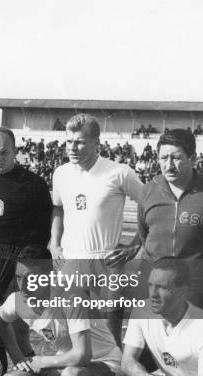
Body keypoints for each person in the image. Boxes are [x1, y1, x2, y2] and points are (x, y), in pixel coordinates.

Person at [0, 244, 122, 376]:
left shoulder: (71, 296)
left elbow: (83, 356)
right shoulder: (18, 300)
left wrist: (43, 361)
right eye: (19, 277)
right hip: (65, 367)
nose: (24, 285)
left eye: (32, 278)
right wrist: (17, 356)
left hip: (107, 367)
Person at [50, 113, 144, 346]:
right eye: (69, 141)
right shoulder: (61, 173)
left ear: (96, 144)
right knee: (71, 335)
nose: (73, 147)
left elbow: (150, 206)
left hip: (107, 262)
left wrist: (134, 245)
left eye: (80, 142)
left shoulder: (119, 173)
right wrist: (54, 244)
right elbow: (58, 210)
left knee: (110, 335)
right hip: (71, 261)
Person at [137, 129, 203, 318]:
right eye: (163, 158)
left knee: (189, 345)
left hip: (195, 289)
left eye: (175, 158)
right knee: (147, 345)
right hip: (151, 286)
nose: (168, 165)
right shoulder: (147, 191)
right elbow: (144, 236)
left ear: (192, 158)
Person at [0, 127, 52, 363]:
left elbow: (45, 228)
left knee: (18, 332)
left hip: (22, 260)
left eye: (4, 152)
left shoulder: (34, 184)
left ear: (15, 151)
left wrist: (31, 266)